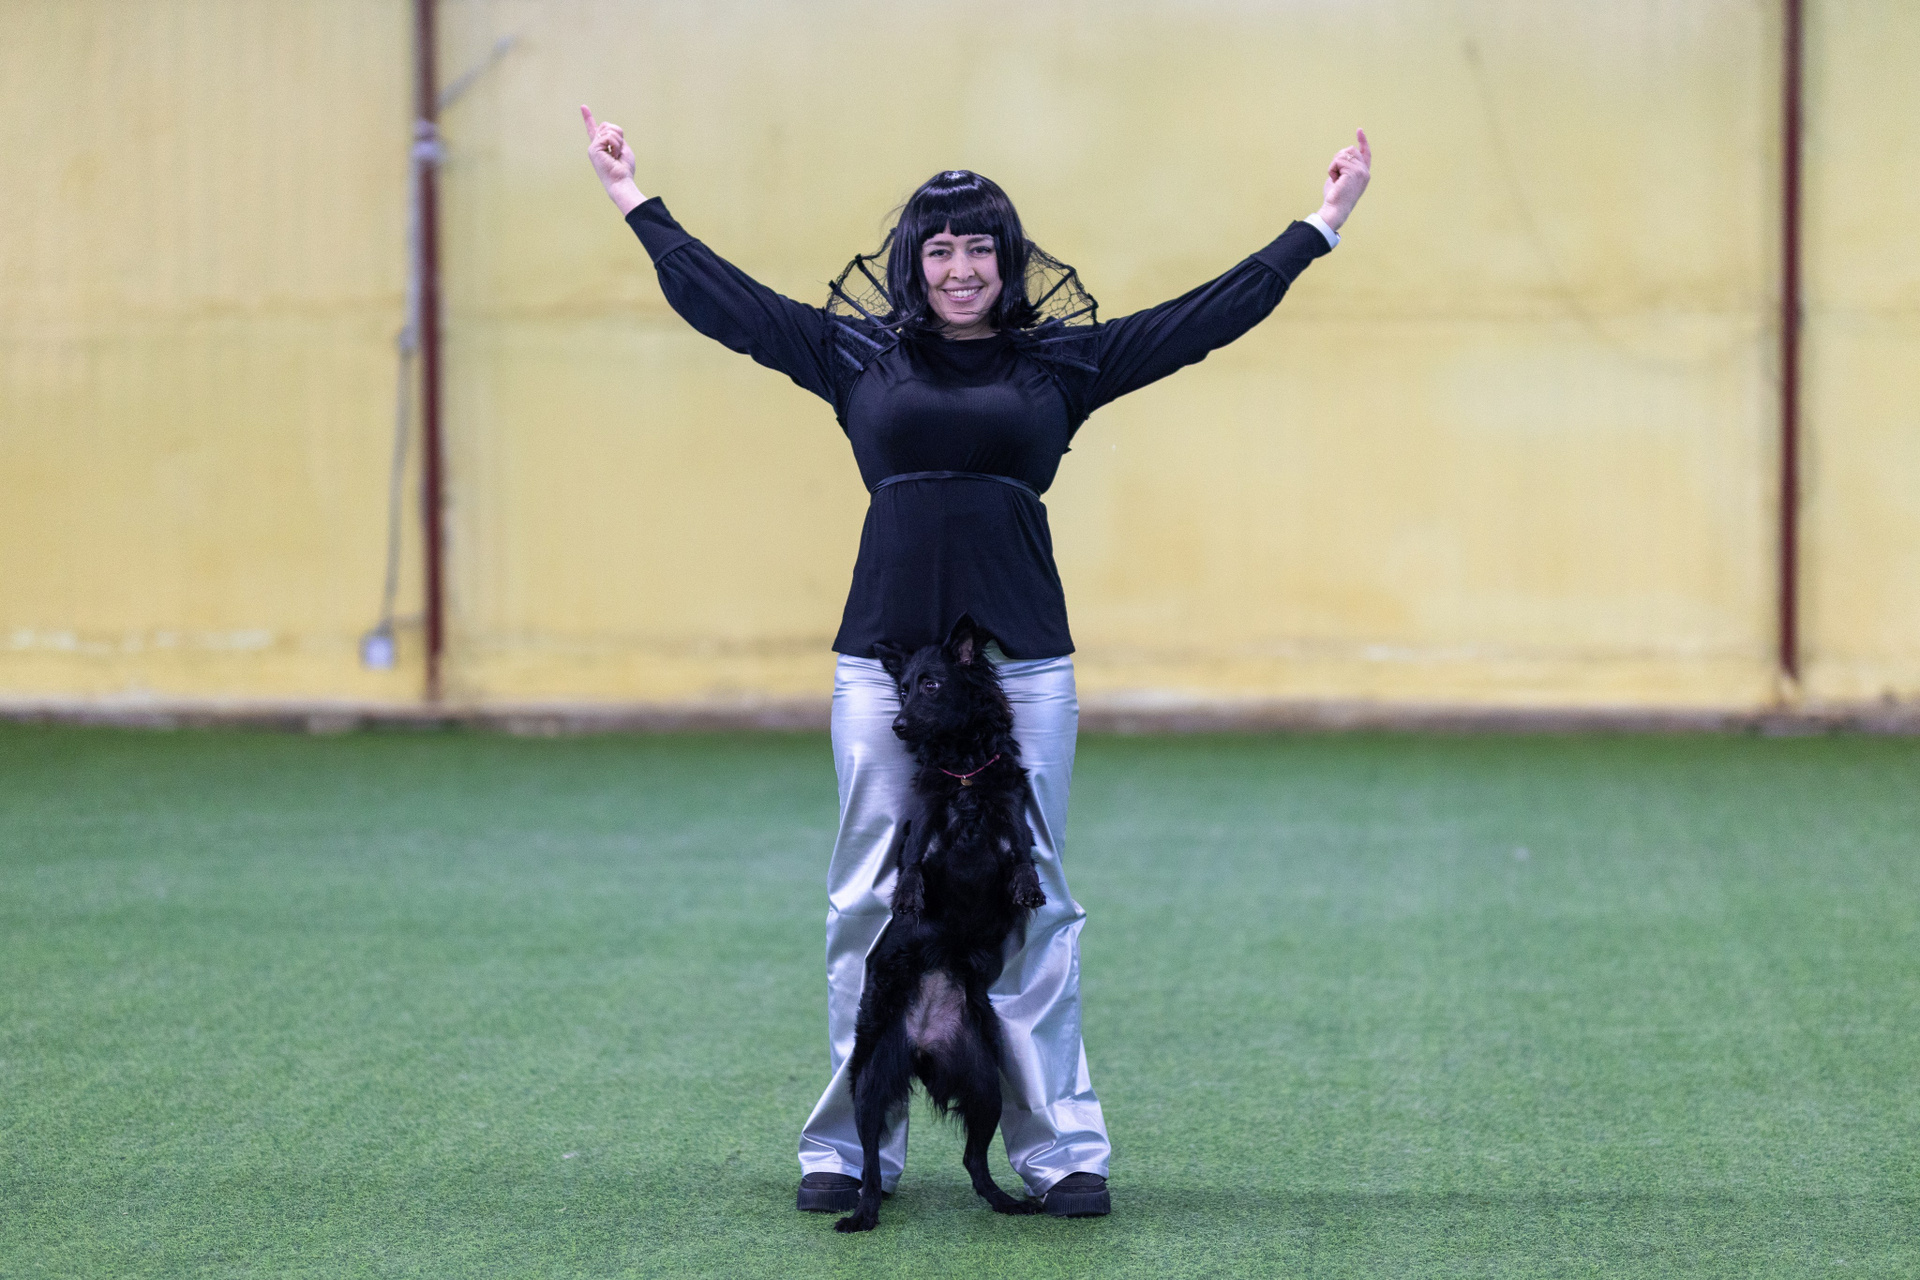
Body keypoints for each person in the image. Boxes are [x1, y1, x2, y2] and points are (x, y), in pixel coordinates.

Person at [581, 103, 1371, 1218]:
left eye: (980, 249)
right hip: (884, 666)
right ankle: (851, 1145)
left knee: (1032, 893)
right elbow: (730, 303)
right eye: (941, 250)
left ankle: (1063, 1150)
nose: (961, 269)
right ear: (914, 262)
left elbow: (1201, 318)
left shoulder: (1062, 366)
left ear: (1009, 260)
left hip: (1024, 665)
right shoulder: (855, 355)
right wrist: (632, 196)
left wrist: (1321, 221)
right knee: (869, 895)